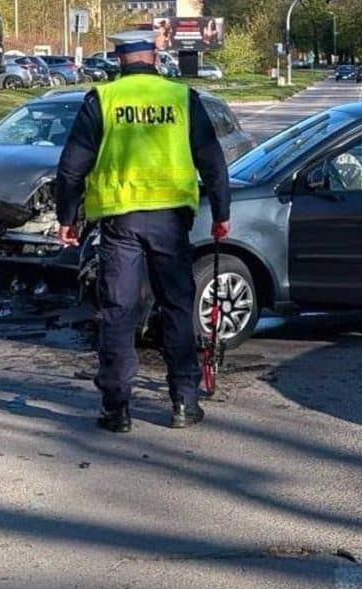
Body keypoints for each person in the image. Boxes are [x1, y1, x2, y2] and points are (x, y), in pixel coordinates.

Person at [55, 29, 231, 433]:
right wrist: (221, 214)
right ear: (154, 55)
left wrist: (68, 218)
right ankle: (184, 403)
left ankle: (117, 410)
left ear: (119, 58)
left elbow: (71, 168)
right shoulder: (182, 99)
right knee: (176, 307)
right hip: (171, 221)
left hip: (120, 222)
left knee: (118, 311)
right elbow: (213, 163)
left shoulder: (102, 100)